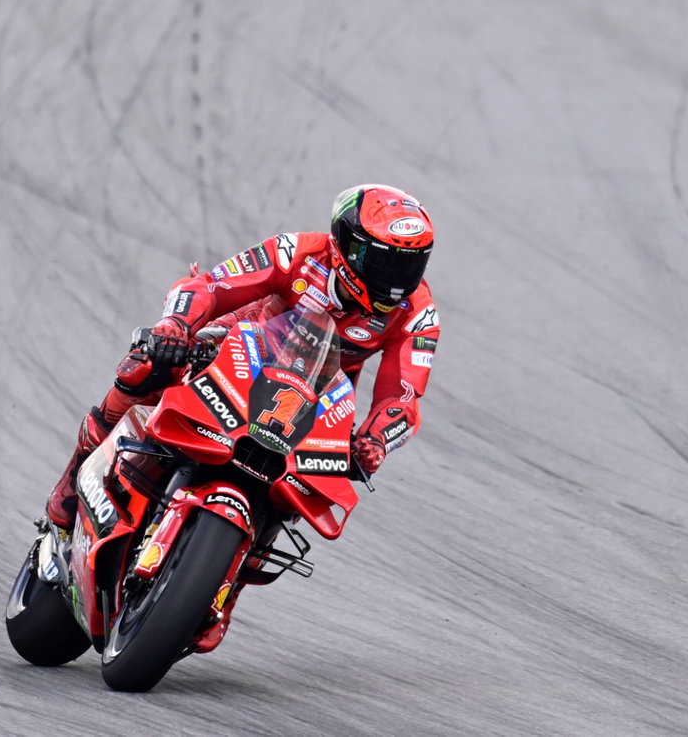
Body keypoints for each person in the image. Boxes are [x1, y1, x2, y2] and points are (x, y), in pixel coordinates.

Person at [43, 183, 439, 648]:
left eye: (410, 263)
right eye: (386, 260)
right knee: (148, 365)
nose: (397, 278)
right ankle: (72, 487)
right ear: (346, 244)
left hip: (316, 394)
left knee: (306, 484)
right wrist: (176, 327)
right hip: (238, 346)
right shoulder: (298, 252)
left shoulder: (417, 312)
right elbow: (210, 285)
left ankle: (223, 575)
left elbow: (403, 397)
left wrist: (373, 438)